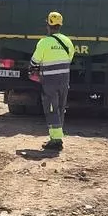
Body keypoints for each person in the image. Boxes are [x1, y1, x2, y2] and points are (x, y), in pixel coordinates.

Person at [30, 11, 75, 151]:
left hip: (49, 81)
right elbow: (70, 58)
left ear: (48, 25)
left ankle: (56, 141)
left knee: (51, 109)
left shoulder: (44, 42)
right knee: (60, 109)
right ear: (60, 25)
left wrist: (32, 70)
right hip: (64, 80)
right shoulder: (67, 41)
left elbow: (35, 61)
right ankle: (56, 138)